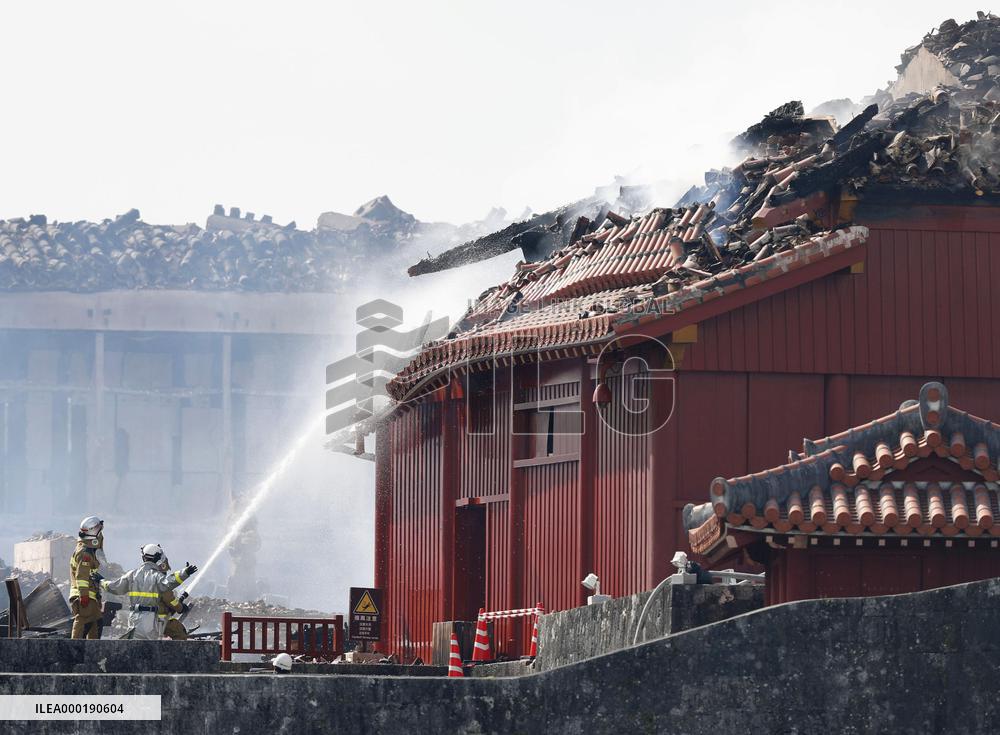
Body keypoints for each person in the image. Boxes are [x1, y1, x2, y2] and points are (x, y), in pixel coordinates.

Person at [101, 544, 197, 640]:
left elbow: (114, 587)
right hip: (151, 619)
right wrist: (184, 573)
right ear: (158, 558)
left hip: (134, 618)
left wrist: (101, 581)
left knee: (135, 643)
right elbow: (169, 583)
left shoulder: (132, 575)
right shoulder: (157, 576)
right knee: (156, 643)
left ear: (143, 558)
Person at [69, 516, 104, 639]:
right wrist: (83, 596)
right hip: (84, 596)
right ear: (93, 531)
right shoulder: (85, 553)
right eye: (99, 530)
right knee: (83, 621)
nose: (101, 533)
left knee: (96, 623)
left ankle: (92, 648)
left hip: (91, 595)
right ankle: (75, 646)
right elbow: (81, 576)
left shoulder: (88, 549)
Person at [154, 554, 191, 640]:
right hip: (158, 621)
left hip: (144, 620)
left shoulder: (145, 579)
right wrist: (181, 608)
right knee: (179, 632)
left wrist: (185, 572)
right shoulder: (160, 583)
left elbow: (172, 580)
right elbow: (170, 600)